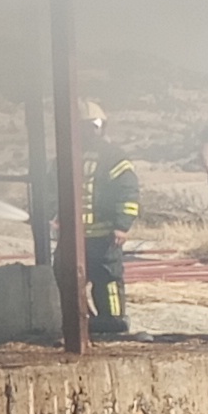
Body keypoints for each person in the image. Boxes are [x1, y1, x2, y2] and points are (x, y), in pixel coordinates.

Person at [85, 103, 139, 338]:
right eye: (85, 127)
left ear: (102, 128)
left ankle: (114, 323)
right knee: (67, 277)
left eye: (94, 126)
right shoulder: (66, 157)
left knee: (107, 279)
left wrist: (121, 226)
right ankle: (82, 320)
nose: (90, 132)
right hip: (75, 236)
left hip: (105, 235)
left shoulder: (114, 157)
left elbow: (128, 192)